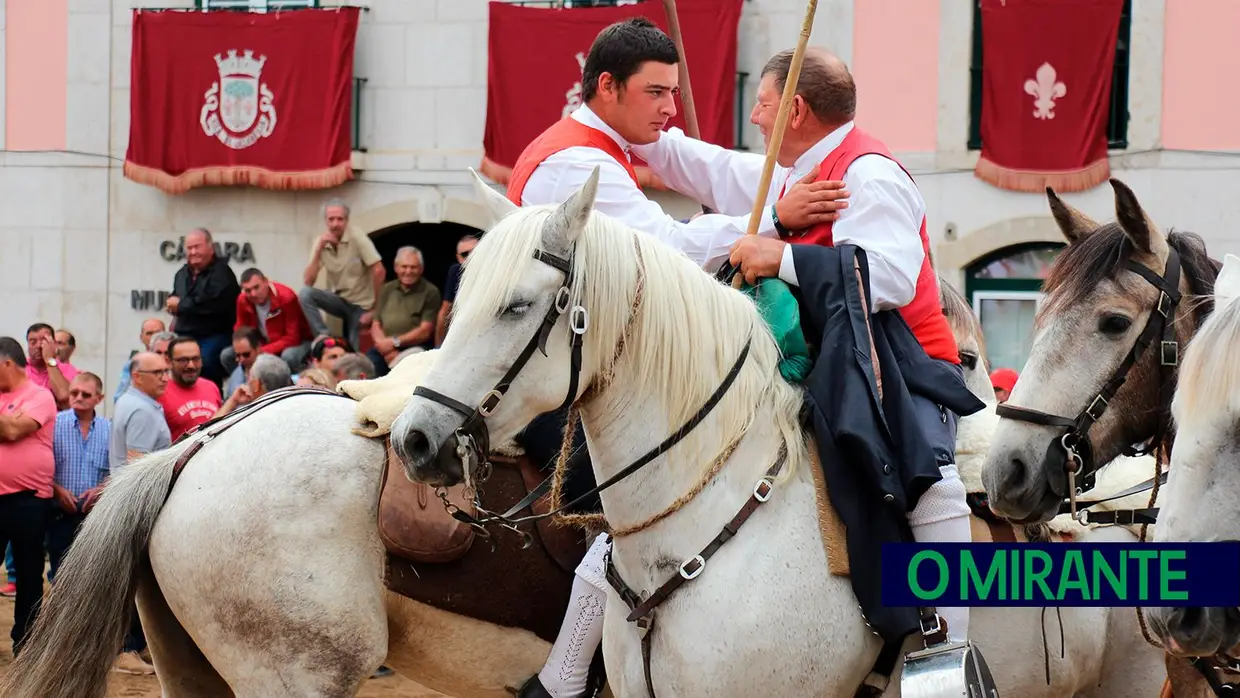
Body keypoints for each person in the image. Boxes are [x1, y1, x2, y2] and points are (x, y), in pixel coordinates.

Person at [507, 19, 848, 698]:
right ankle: (565, 676)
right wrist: (775, 220)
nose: (671, 108)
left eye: (674, 91)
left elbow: (712, 165)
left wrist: (782, 195)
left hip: (588, 357)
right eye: (657, 92)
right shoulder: (580, 161)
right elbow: (660, 250)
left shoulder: (602, 141)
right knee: (644, 504)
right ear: (608, 88)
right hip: (561, 370)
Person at [633, 46, 981, 659]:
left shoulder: (868, 173)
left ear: (795, 109)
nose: (755, 120)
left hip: (900, 368)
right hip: (822, 365)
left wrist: (780, 256)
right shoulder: (795, 171)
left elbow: (890, 280)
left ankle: (947, 656)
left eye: (762, 105)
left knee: (937, 490)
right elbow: (706, 165)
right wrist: (627, 123)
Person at [298, 199, 385, 351]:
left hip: (361, 305)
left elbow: (379, 270)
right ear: (325, 221)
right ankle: (324, 337)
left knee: (355, 352)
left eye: (340, 219)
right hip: (340, 300)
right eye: (331, 219)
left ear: (347, 220)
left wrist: (374, 310)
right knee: (305, 294)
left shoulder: (357, 237)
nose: (335, 224)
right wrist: (318, 250)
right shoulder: (321, 241)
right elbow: (308, 281)